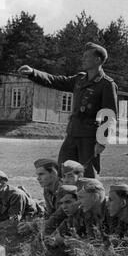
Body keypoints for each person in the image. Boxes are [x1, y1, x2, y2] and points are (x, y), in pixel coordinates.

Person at [18, 42, 118, 178]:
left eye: (86, 57)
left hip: (90, 138)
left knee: (88, 175)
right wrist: (33, 73)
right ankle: (65, 198)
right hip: (72, 134)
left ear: (97, 60)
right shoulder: (79, 80)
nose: (83, 59)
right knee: (63, 170)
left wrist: (102, 141)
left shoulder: (106, 84)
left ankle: (92, 199)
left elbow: (109, 115)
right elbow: (55, 81)